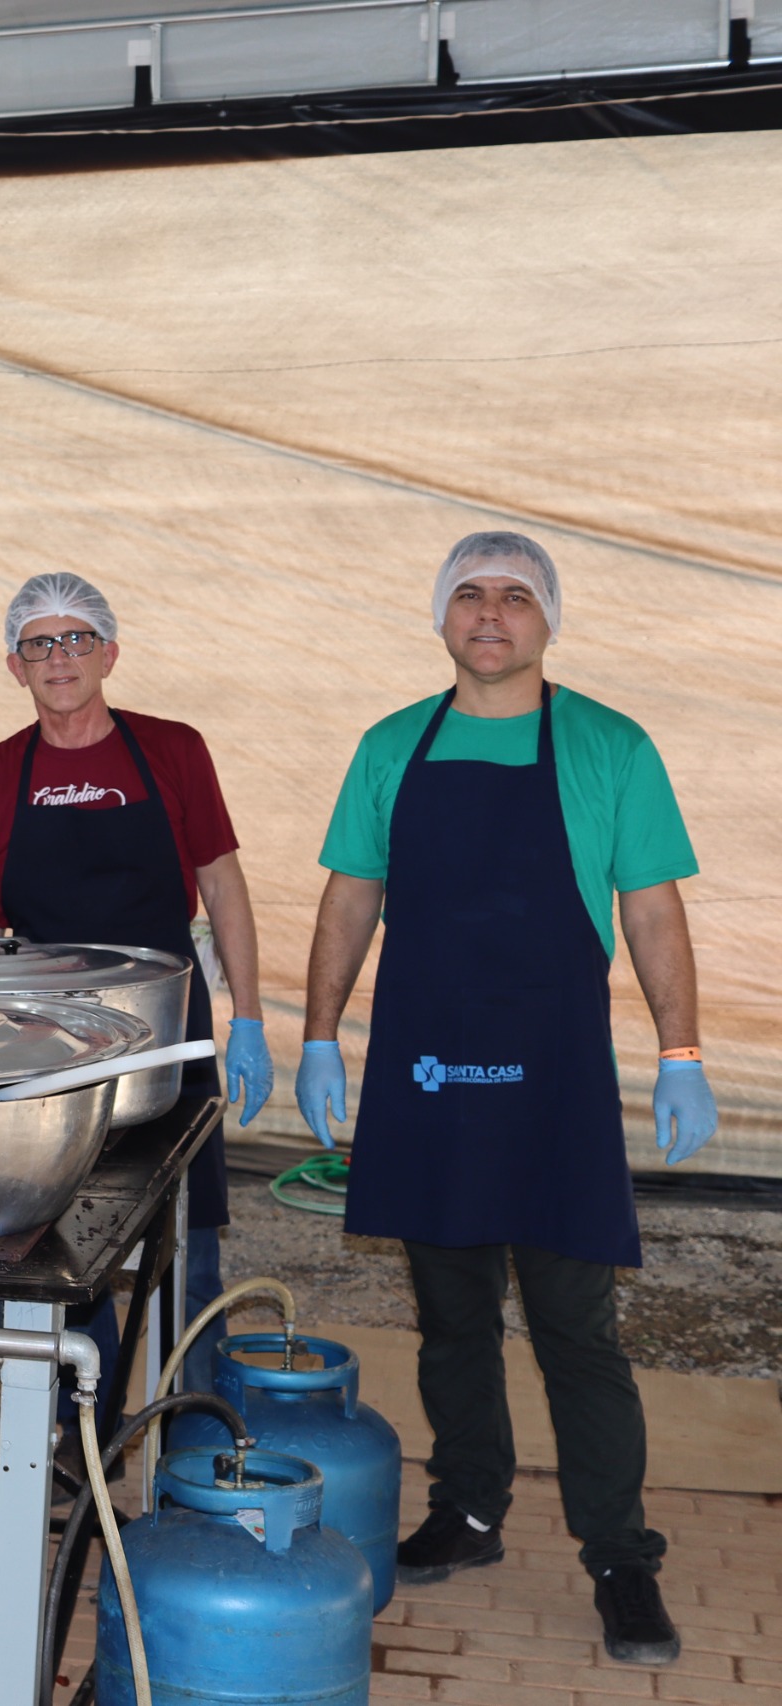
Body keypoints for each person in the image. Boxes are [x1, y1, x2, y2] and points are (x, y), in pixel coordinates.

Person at [297, 531, 711, 1667]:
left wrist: (680, 1049)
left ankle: (620, 1556)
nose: (491, 613)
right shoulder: (392, 745)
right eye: (470, 595)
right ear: (442, 617)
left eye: (515, 596)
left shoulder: (611, 745)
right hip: (431, 1072)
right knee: (452, 1320)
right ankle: (469, 1508)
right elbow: (350, 896)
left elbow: (652, 907)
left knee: (579, 1330)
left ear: (548, 619)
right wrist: (318, 1034)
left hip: (555, 1082)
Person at [0, 573, 270, 1433]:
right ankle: (79, 1433)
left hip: (169, 1035)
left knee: (188, 1250)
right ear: (15, 666)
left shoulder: (173, 749)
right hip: (46, 1043)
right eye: (39, 644)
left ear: (110, 654)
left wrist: (249, 1016)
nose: (60, 658)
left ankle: (196, 1438)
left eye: (77, 639)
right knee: (57, 1247)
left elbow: (222, 884)